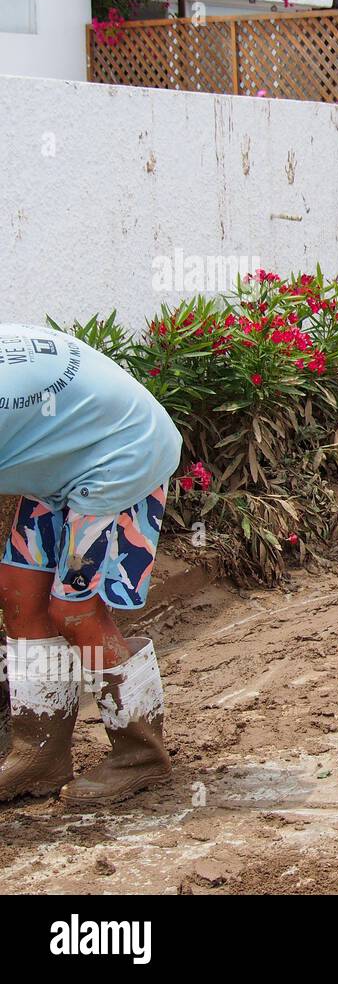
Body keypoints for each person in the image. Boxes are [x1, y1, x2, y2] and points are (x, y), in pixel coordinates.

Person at [0, 323, 181, 807]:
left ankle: (141, 755)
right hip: (61, 460)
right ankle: (38, 754)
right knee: (19, 597)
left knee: (73, 611)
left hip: (118, 456)